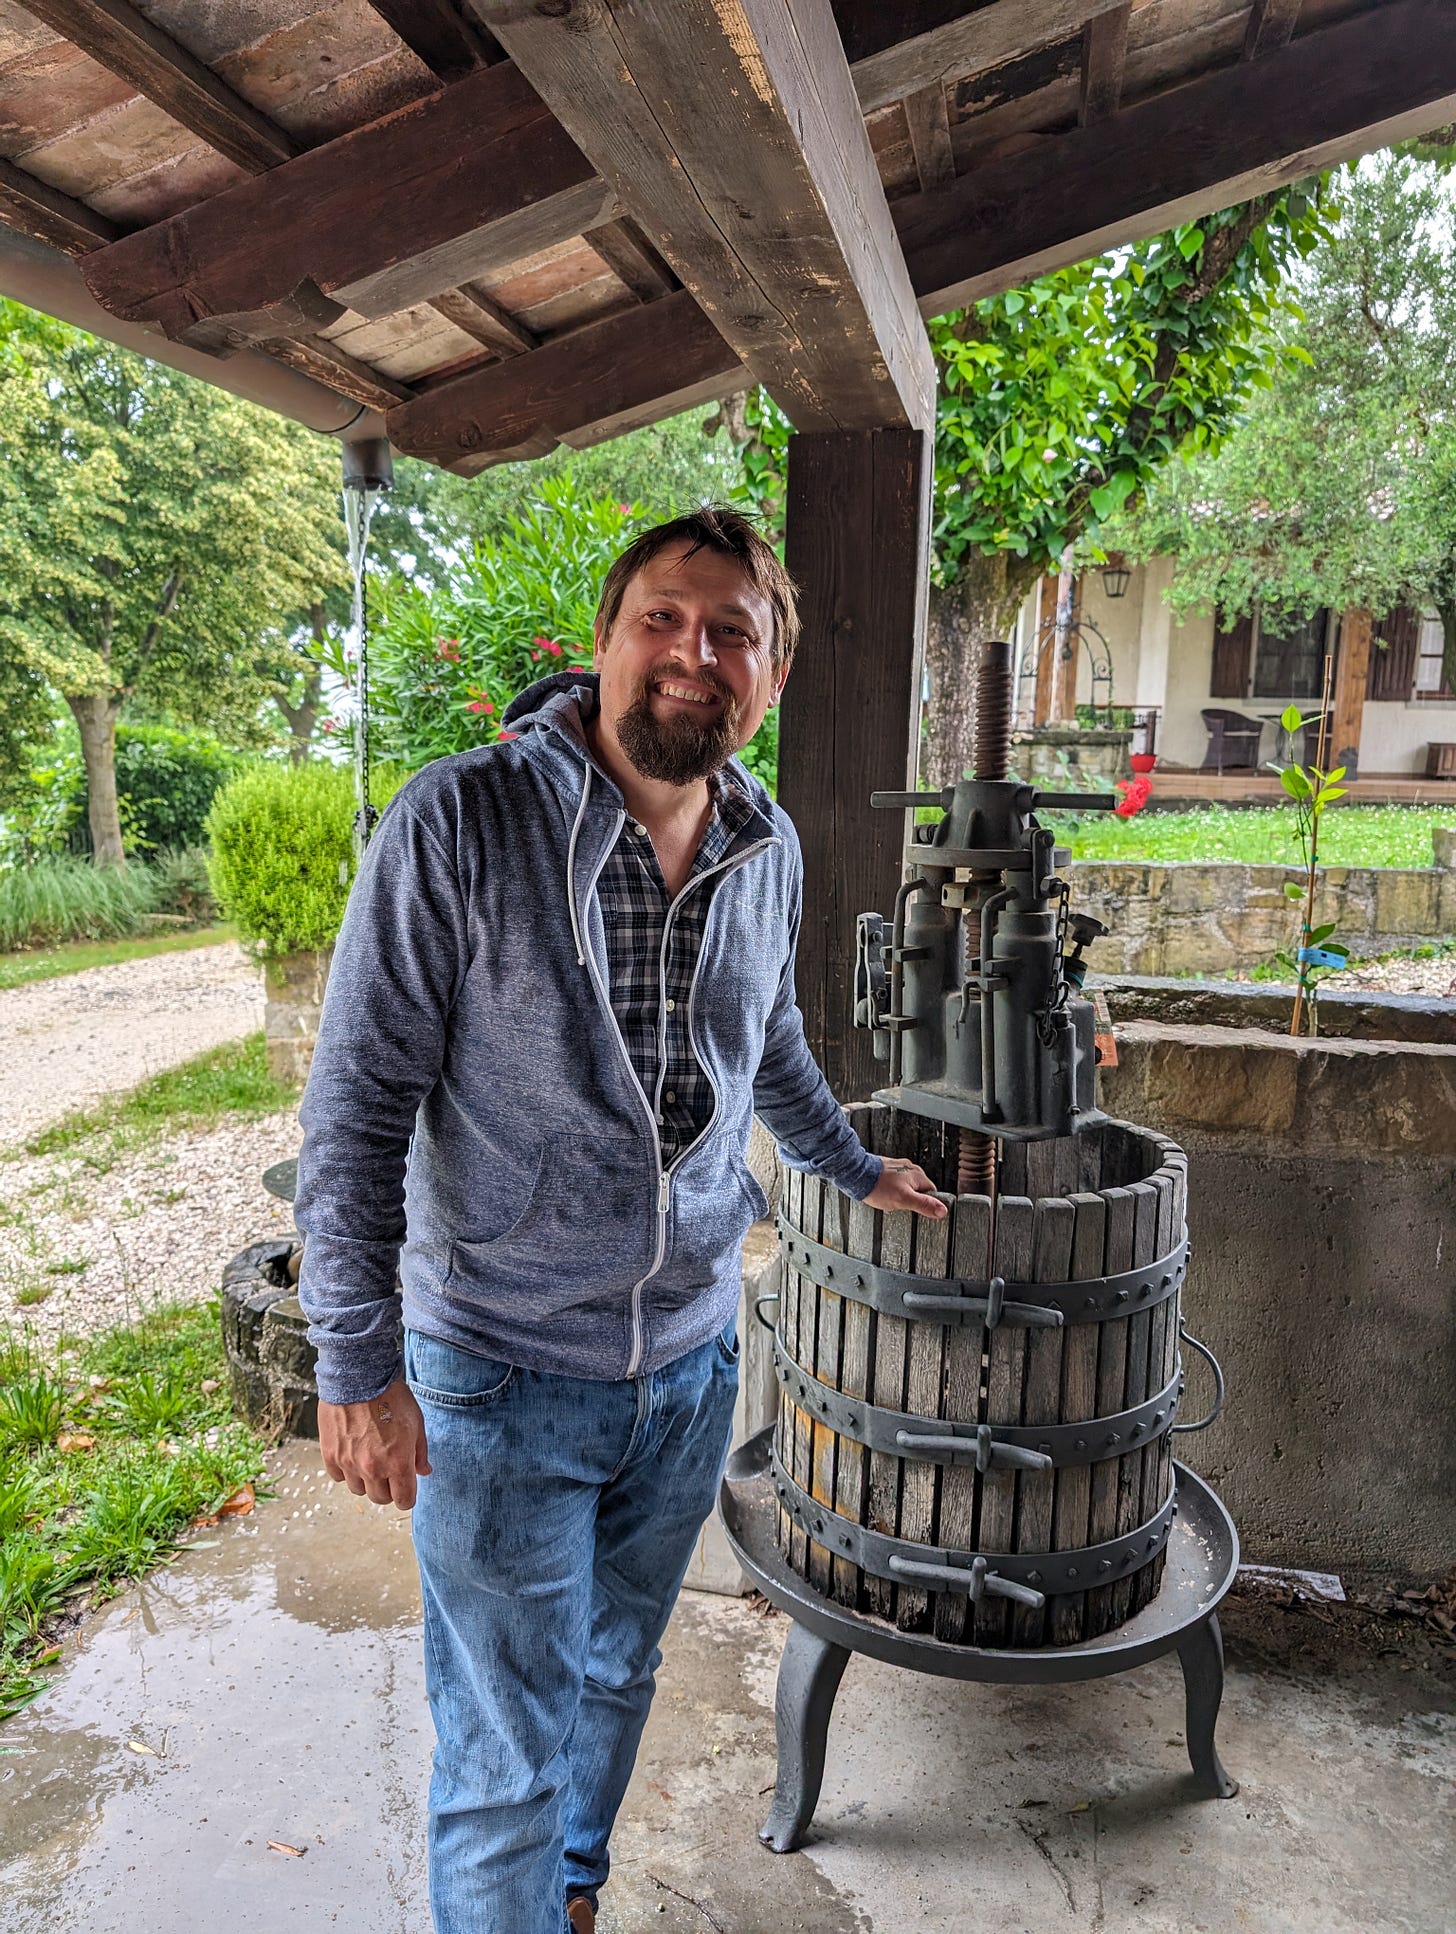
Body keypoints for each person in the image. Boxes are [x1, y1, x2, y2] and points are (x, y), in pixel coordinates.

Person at [294, 506, 945, 1934]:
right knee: (503, 1759)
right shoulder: (460, 821)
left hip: (689, 1368)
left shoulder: (762, 847)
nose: (692, 653)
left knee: (612, 1675)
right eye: (662, 616)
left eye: (733, 630)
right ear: (601, 644)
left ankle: (569, 1898)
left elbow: (765, 1040)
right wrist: (353, 1361)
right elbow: (352, 1113)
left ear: (772, 674)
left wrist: (849, 1164)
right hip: (500, 1369)